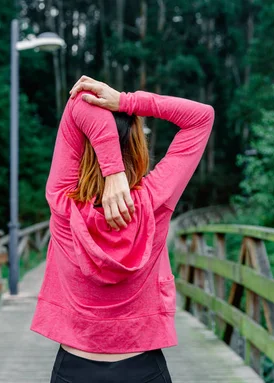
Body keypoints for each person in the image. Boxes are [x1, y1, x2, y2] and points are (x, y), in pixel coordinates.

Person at [30, 76, 215, 383]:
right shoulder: (156, 201)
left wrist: (109, 169)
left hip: (73, 369)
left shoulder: (63, 203)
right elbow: (201, 116)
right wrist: (126, 101)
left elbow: (79, 101)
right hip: (142, 369)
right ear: (137, 147)